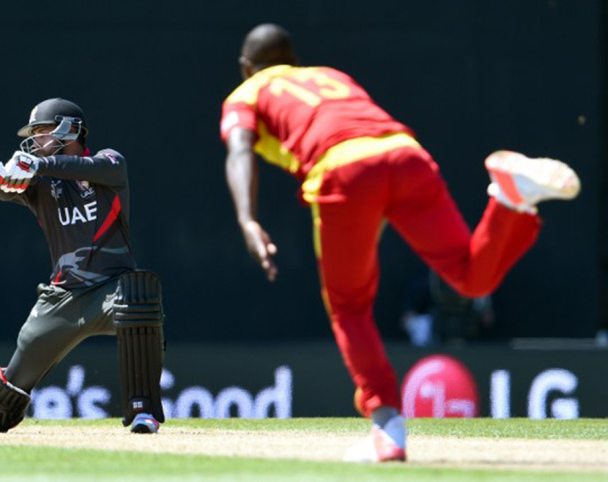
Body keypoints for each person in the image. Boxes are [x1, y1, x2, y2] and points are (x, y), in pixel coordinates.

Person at [220, 24, 580, 462]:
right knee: (470, 279)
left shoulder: (246, 93)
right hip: (406, 153)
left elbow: (239, 150)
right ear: (294, 60)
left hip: (343, 168)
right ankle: (510, 201)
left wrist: (247, 219)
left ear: (246, 67)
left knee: (349, 306)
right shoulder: (330, 75)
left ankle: (387, 427)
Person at [0, 98, 166, 435]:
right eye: (33, 134)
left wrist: (37, 165)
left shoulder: (109, 163)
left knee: (139, 297)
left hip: (111, 290)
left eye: (42, 131)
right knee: (14, 381)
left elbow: (83, 167)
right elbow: (9, 188)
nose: (35, 140)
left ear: (71, 130)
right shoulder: (40, 184)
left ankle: (143, 411)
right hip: (62, 298)